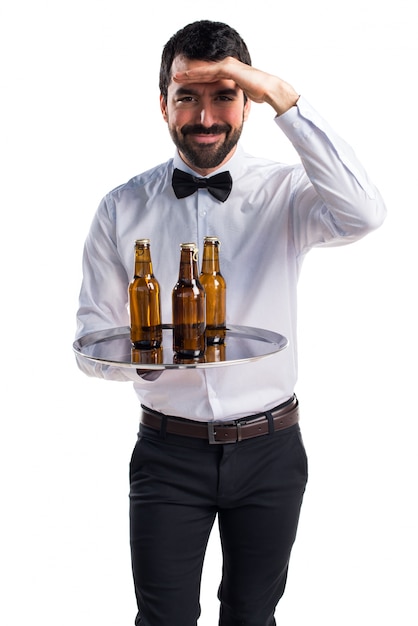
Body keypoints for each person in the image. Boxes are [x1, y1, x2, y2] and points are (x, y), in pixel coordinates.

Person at [75, 20, 386, 626]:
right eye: (187, 96)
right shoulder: (120, 207)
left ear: (246, 101)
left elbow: (366, 213)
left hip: (271, 448)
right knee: (161, 619)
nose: (205, 116)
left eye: (224, 94)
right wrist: (150, 354)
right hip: (168, 452)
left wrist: (283, 97)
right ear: (162, 104)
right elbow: (91, 339)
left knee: (252, 616)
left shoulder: (288, 192)